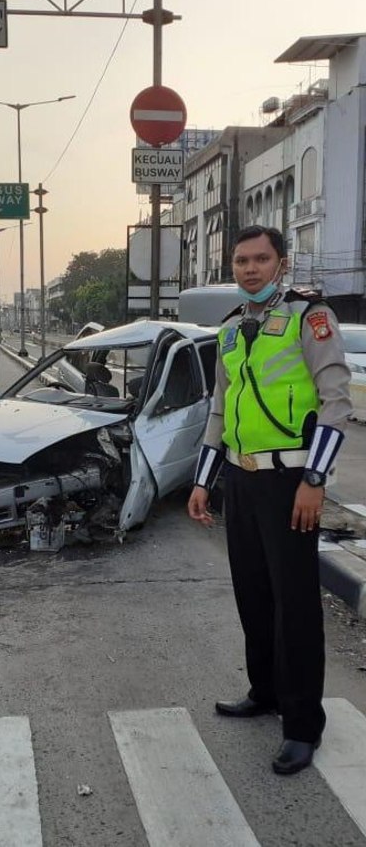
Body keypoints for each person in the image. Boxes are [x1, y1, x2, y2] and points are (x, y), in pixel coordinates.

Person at [188, 225, 352, 776]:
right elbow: (220, 407)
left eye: (261, 259)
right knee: (253, 595)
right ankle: (265, 691)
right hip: (242, 481)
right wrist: (202, 481)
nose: (250, 269)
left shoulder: (310, 317)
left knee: (296, 606)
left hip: (290, 483)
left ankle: (303, 726)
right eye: (241, 260)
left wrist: (315, 478)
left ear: (281, 263)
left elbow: (335, 401)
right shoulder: (231, 330)